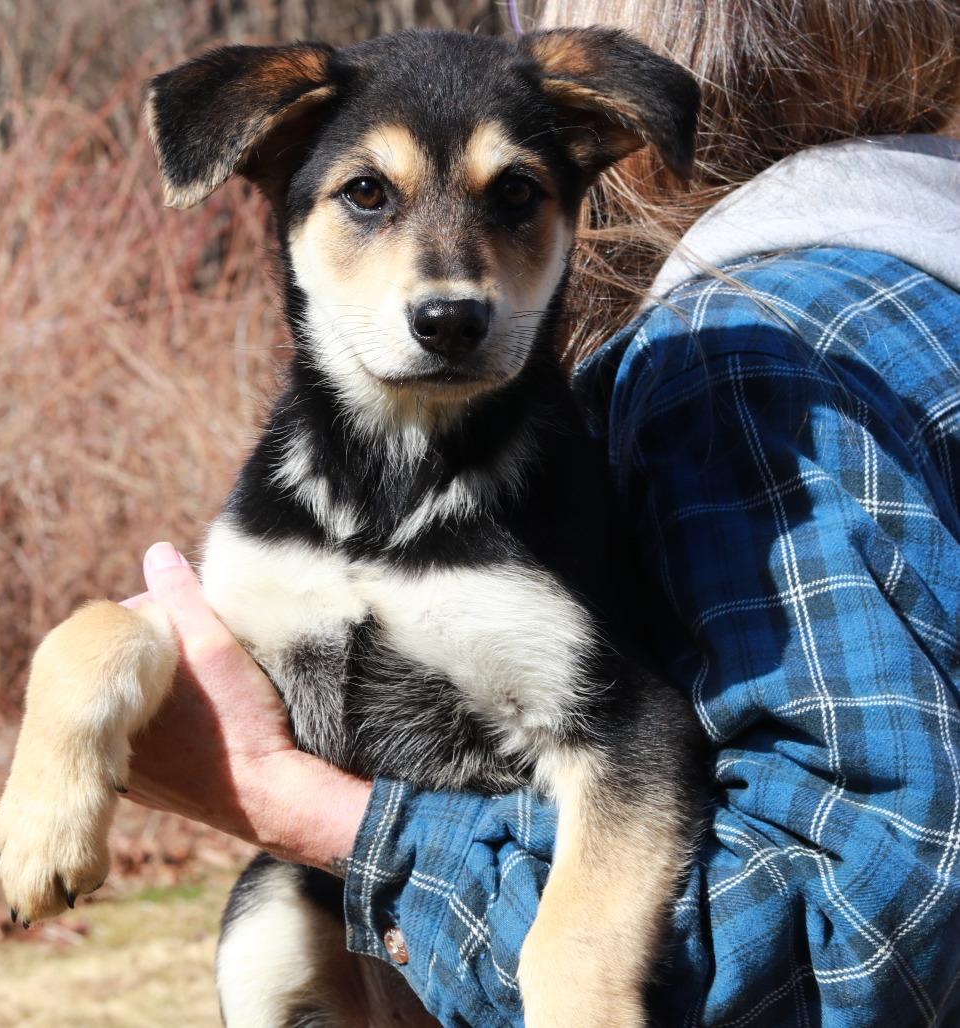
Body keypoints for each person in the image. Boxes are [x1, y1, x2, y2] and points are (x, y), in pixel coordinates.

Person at [122, 0, 960, 1023]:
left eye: (513, 194)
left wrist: (298, 807)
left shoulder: (744, 360)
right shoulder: (918, 291)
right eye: (369, 196)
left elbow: (848, 918)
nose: (447, 277)